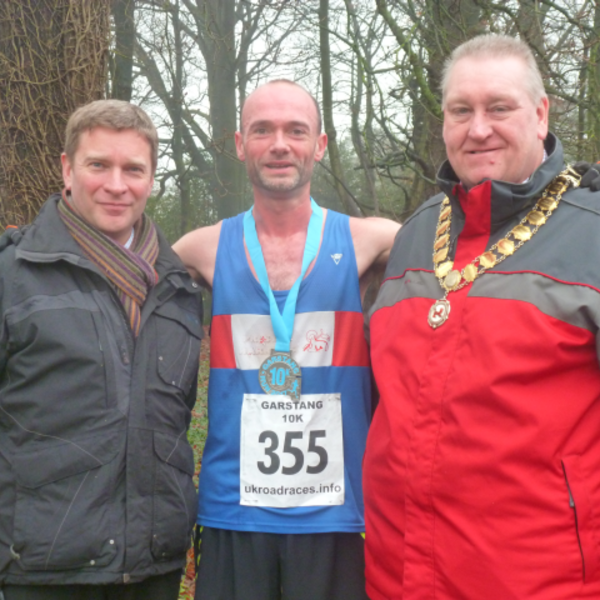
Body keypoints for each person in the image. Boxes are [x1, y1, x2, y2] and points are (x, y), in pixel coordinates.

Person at [363, 33, 600, 600]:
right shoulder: (417, 233)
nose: (477, 128)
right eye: (460, 111)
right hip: (397, 575)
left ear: (540, 114)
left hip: (538, 580)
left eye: (499, 108)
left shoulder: (591, 234)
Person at [173, 79, 400, 600]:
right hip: (235, 509)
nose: (279, 144)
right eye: (263, 130)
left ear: (320, 145)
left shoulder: (372, 240)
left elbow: (470, 258)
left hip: (338, 515)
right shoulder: (200, 249)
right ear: (238, 144)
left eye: (296, 130)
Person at [0, 100, 203, 599]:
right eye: (98, 165)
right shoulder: (13, 275)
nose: (117, 184)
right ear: (67, 169)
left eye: (133, 169)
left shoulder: (178, 288)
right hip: (42, 571)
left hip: (154, 568)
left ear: (151, 178)